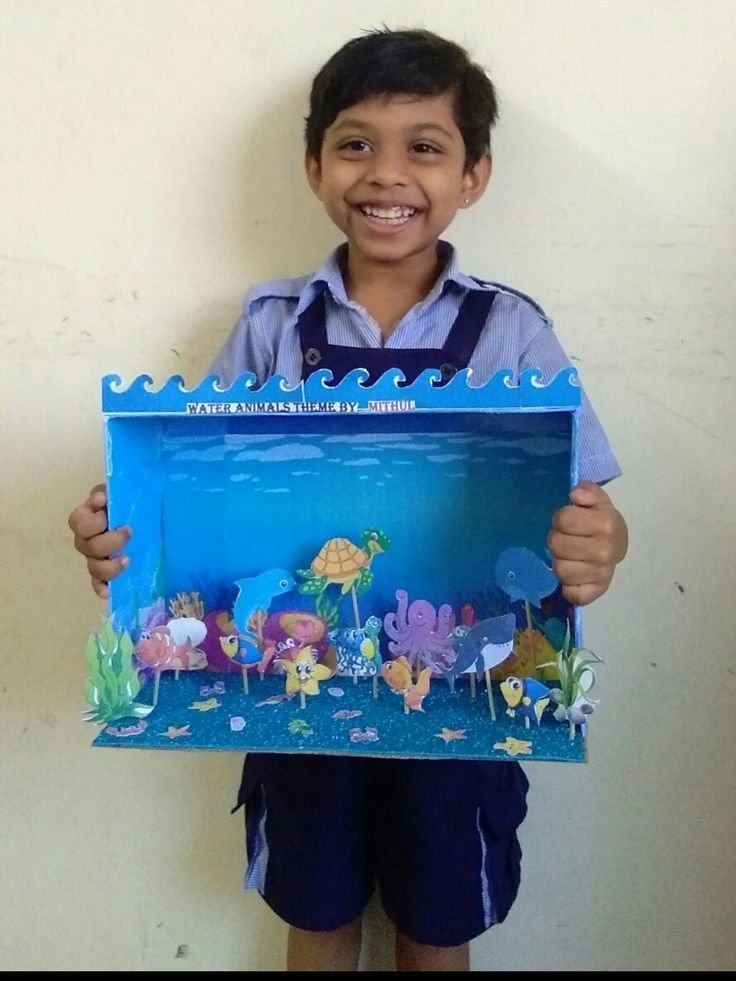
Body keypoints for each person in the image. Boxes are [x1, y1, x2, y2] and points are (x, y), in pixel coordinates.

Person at [68, 28, 628, 972]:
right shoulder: (270, 323)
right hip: (294, 696)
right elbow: (186, 487)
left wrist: (602, 543)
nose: (387, 173)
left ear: (474, 175)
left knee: (437, 923)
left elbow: (588, 509)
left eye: (425, 145)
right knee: (315, 909)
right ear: (314, 163)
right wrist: (119, 533)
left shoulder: (515, 329)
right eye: (357, 142)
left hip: (466, 704)